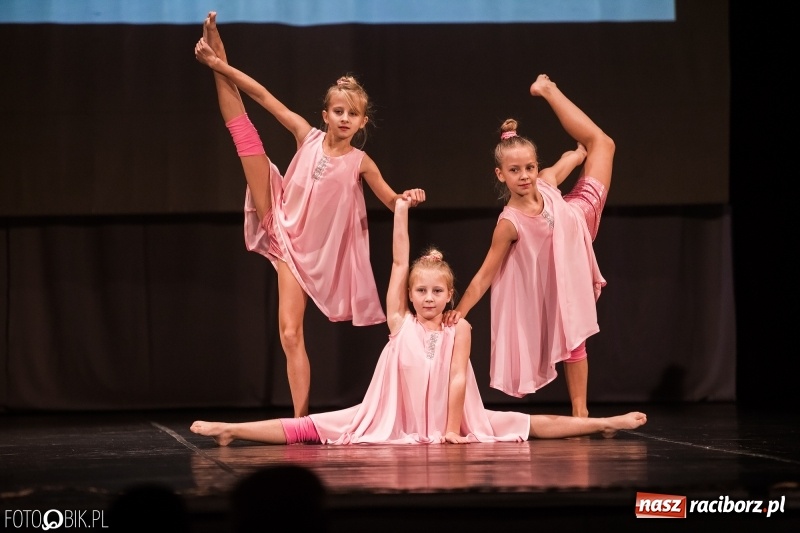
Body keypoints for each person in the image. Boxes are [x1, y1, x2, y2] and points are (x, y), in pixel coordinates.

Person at [190, 197, 646, 446]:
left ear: (450, 295)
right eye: (421, 291)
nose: (428, 298)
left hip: (455, 422)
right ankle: (232, 429)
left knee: (522, 423)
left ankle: (607, 423)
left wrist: (451, 430)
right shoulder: (398, 321)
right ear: (410, 295)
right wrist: (402, 211)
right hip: (388, 419)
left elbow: (456, 383)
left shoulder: (458, 328)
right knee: (320, 426)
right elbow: (397, 260)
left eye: (437, 292)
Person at [194, 12, 425, 417]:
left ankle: (301, 419)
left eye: (352, 115)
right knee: (243, 131)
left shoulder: (360, 162)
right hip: (281, 223)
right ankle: (215, 49)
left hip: (310, 255)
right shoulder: (307, 135)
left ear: (362, 122)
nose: (344, 119)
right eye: (338, 111)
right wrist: (218, 61)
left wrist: (407, 196)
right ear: (326, 114)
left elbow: (390, 200)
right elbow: (263, 96)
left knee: (290, 332)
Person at [443, 74, 615, 418]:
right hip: (562, 269)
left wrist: (577, 155)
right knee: (573, 337)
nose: (524, 176)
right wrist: (459, 310)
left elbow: (559, 167)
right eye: (515, 170)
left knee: (601, 143)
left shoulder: (545, 181)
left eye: (529, 167)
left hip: (580, 217)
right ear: (500, 175)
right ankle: (580, 414)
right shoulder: (509, 223)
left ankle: (548, 89)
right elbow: (484, 276)